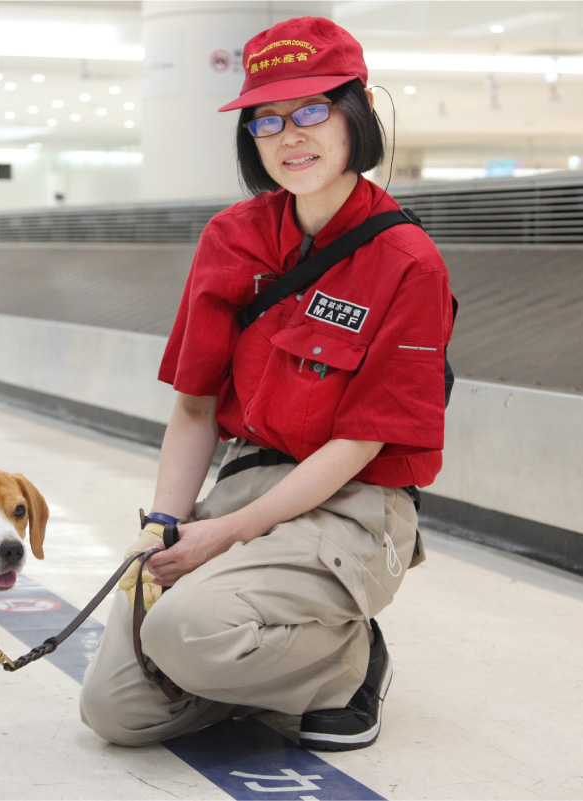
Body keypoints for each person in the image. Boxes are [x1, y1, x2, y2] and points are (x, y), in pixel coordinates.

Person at [79, 16, 455, 752]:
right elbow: (193, 408)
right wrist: (163, 522)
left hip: (354, 506)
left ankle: (347, 665)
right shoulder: (231, 238)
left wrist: (223, 535)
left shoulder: (409, 261)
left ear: (356, 118)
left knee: (185, 629)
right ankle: (256, 664)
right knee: (116, 710)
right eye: (267, 119)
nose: (292, 135)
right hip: (248, 482)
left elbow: (356, 445)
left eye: (314, 110)